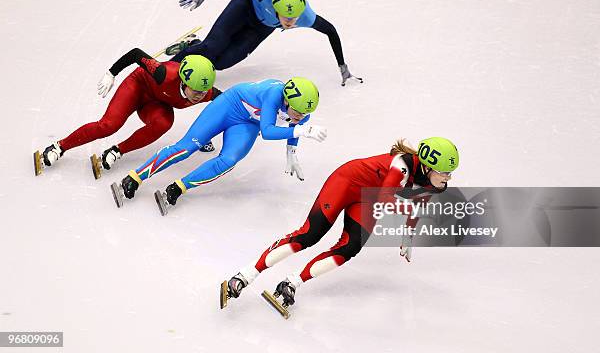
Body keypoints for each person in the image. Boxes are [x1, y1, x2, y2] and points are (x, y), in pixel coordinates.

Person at [221, 137, 460, 313]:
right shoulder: (402, 164)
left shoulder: (434, 183)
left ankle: (292, 282)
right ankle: (245, 275)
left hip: (368, 198)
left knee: (351, 246)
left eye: (450, 173)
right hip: (347, 182)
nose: (448, 177)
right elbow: (387, 198)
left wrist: (408, 235)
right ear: (428, 166)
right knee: (310, 235)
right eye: (445, 172)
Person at [113, 77, 328, 211]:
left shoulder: (302, 113)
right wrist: (301, 131)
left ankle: (178, 187)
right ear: (287, 100)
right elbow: (268, 131)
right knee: (187, 147)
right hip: (230, 105)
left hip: (247, 123)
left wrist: (292, 151)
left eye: (305, 114)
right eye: (297, 112)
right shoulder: (273, 94)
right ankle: (135, 177)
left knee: (229, 160)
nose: (300, 117)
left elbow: (294, 127)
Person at [34, 51, 219, 177]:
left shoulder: (205, 93)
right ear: (184, 82)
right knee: (109, 125)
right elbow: (136, 54)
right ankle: (59, 147)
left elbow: (227, 105)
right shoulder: (164, 73)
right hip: (138, 87)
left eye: (203, 92)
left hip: (155, 103)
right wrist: (111, 73)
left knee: (164, 123)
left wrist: (205, 135)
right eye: (195, 91)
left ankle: (116, 151)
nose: (199, 96)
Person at [176, 0, 362, 86]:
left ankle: (192, 44)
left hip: (260, 29)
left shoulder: (306, 16)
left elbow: (331, 31)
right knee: (211, 47)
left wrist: (342, 65)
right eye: (286, 16)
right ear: (274, 6)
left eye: (294, 17)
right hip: (243, 9)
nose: (290, 22)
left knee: (221, 63)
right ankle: (164, 68)